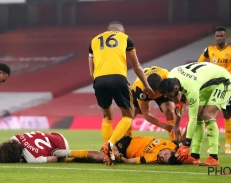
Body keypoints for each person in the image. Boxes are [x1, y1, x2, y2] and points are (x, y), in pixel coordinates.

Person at [88, 21, 155, 165]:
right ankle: (110, 144)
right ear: (121, 31)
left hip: (99, 80)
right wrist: (146, 85)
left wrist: (98, 81)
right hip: (118, 78)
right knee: (129, 115)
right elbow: (136, 66)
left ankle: (107, 151)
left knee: (107, 117)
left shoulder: (94, 41)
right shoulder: (125, 38)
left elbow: (91, 71)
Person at [158, 62, 231, 166]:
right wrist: (182, 100)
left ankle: (214, 157)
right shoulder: (171, 75)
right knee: (198, 116)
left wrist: (186, 144)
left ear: (175, 89)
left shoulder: (191, 89)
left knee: (207, 115)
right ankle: (195, 156)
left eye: (169, 95)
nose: (168, 98)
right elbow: (183, 85)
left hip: (223, 82)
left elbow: (192, 120)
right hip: (204, 83)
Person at [198, 26, 231, 154]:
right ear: (215, 37)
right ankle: (214, 142)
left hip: (227, 85)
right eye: (217, 36)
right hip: (212, 85)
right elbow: (199, 63)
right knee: (207, 112)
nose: (219, 38)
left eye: (222, 36)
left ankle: (228, 144)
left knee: (227, 114)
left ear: (225, 37)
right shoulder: (209, 50)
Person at [53, 134, 184, 165]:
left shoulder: (152, 159)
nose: (162, 156)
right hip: (128, 139)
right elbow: (185, 144)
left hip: (124, 151)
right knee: (103, 154)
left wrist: (120, 157)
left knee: (101, 156)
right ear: (173, 151)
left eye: (163, 159)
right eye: (165, 154)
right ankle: (68, 157)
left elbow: (128, 161)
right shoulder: (175, 146)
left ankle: (66, 155)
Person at [131, 66, 176, 140]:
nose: (152, 96)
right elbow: (147, 114)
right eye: (150, 93)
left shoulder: (167, 77)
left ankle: (175, 141)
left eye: (154, 93)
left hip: (161, 91)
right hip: (141, 91)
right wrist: (165, 126)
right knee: (130, 117)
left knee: (170, 111)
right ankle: (124, 141)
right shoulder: (139, 88)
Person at [0, 131, 69, 163]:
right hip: (56, 135)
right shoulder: (14, 137)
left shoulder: (32, 158)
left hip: (62, 145)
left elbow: (54, 159)